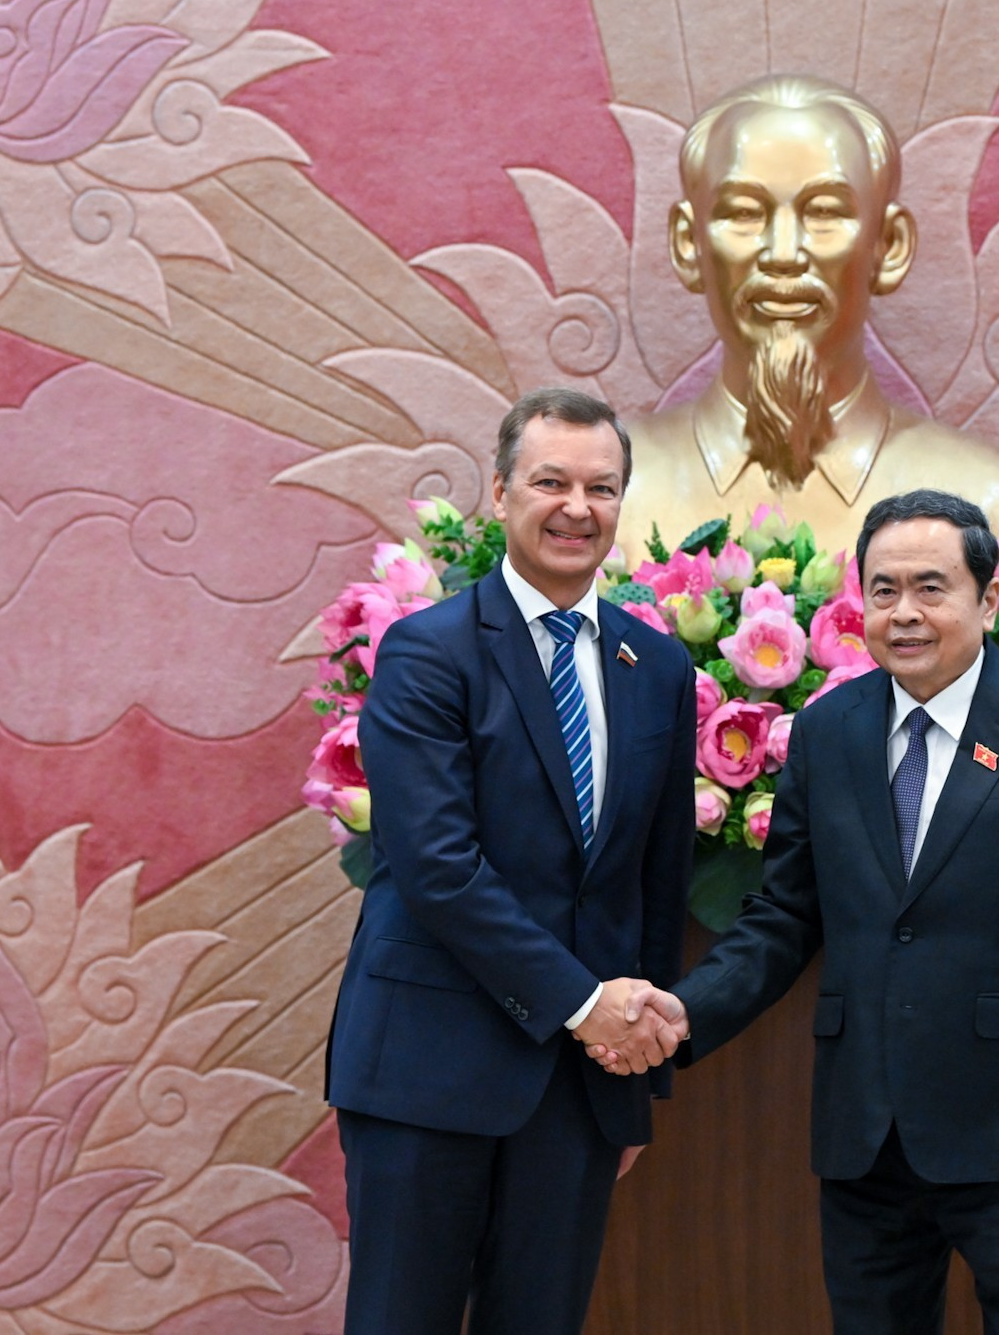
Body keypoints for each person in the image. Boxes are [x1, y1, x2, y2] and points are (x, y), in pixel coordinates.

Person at [595, 488, 999, 1335]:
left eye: (932, 588)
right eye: (884, 591)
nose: (905, 613)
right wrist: (683, 1010)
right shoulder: (827, 731)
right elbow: (785, 914)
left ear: (988, 598)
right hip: (867, 1134)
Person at [325, 387, 695, 1335]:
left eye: (602, 488)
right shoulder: (427, 652)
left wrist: (632, 1077)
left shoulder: (657, 671)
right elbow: (438, 865)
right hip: (427, 1070)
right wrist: (584, 1005)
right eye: (551, 482)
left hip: (577, 1087)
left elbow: (655, 879)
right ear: (498, 494)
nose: (578, 508)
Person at [618, 74, 999, 556]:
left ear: (890, 247)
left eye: (823, 213)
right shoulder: (600, 509)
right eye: (743, 213)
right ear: (686, 245)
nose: (783, 253)